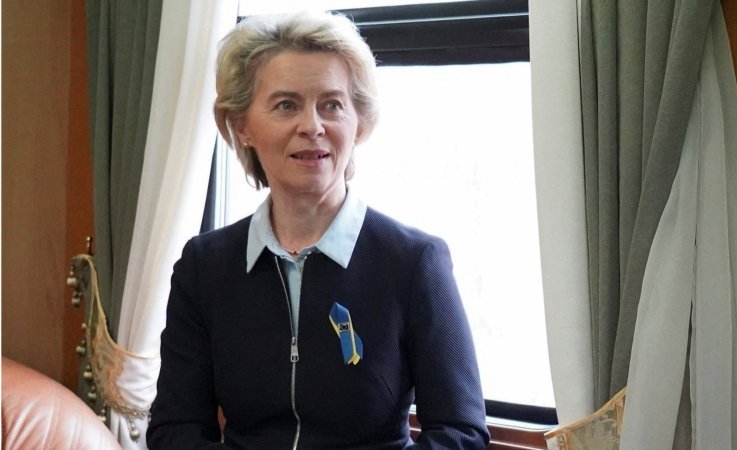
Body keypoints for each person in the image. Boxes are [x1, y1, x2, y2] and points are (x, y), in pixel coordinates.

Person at [147, 10, 489, 449]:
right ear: (242, 125)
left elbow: (461, 434)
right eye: (286, 105)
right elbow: (175, 429)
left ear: (359, 121)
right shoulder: (204, 266)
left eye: (332, 105)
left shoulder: (414, 262)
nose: (312, 126)